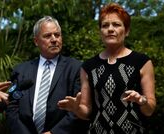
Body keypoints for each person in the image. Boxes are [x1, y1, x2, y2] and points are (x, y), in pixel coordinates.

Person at [58, 2, 156, 134]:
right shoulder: (88, 66)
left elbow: (149, 110)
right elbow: (86, 111)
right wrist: (76, 109)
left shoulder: (142, 62)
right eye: (105, 25)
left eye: (116, 24)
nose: (110, 29)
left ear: (126, 31)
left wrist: (142, 100)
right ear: (100, 32)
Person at [6, 16, 89, 134]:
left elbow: (79, 107)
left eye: (57, 35)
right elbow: (12, 107)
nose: (54, 39)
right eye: (47, 36)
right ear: (36, 41)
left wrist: (53, 133)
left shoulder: (76, 68)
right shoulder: (21, 70)